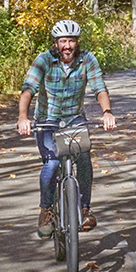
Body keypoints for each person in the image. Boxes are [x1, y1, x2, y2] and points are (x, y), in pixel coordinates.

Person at [18, 20, 117, 237]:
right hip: (47, 120)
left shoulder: (87, 59)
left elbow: (99, 87)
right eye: (63, 41)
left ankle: (84, 209)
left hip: (74, 119)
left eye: (71, 41)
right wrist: (23, 117)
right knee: (52, 164)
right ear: (56, 43)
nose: (68, 46)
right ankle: (46, 211)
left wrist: (107, 112)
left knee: (83, 159)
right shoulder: (44, 60)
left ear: (77, 42)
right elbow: (29, 89)